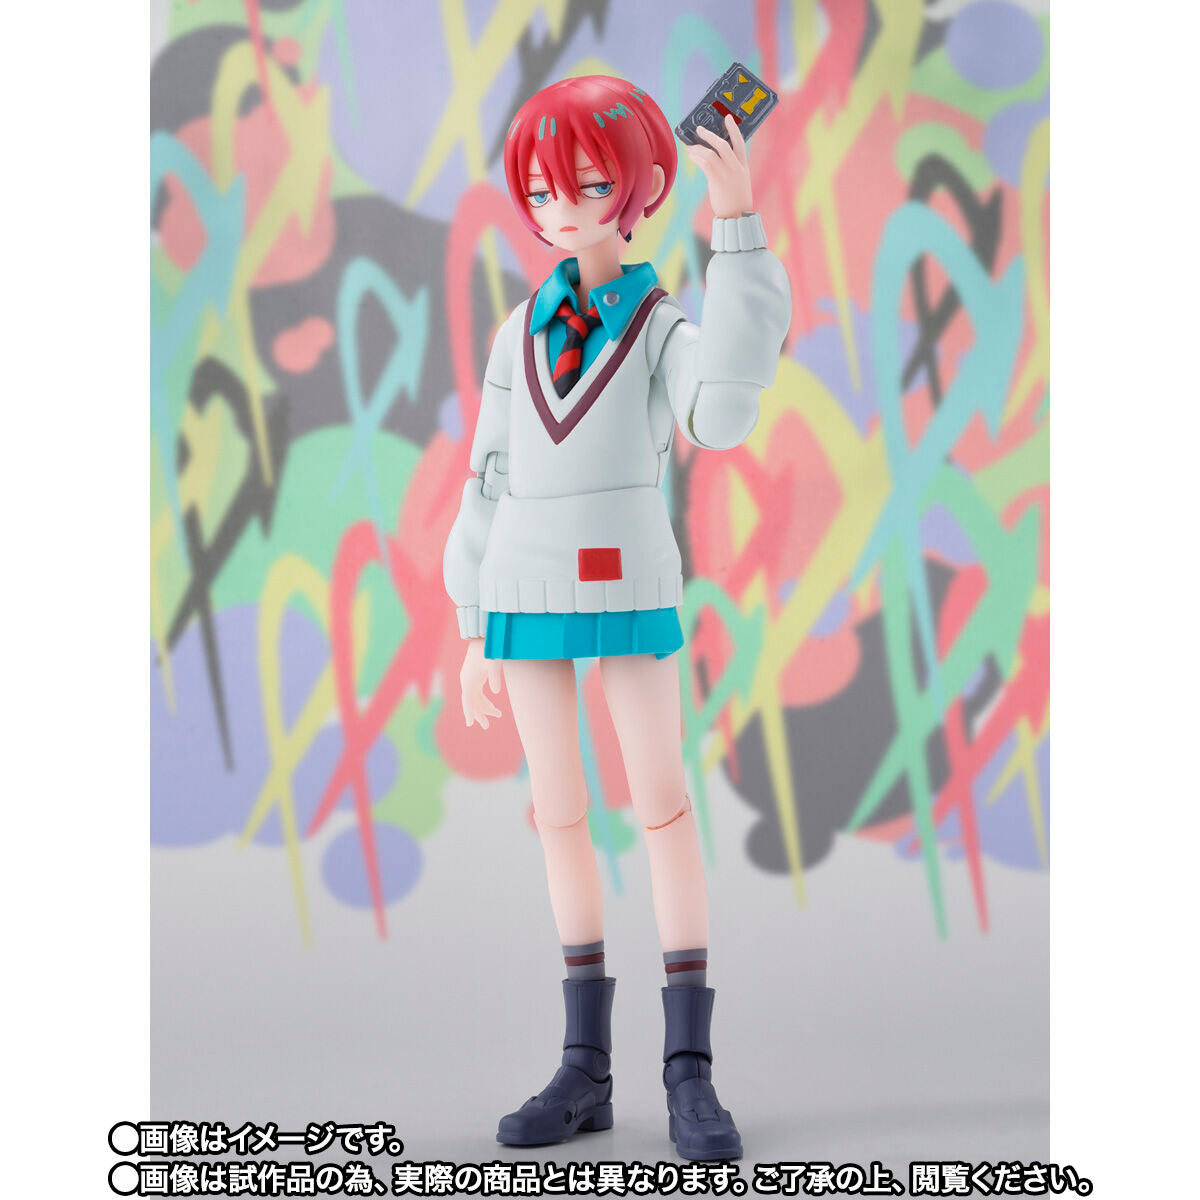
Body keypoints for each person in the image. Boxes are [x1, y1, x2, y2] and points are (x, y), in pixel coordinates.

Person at [442, 74, 790, 1160]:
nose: (561, 209)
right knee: (557, 814)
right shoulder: (518, 332)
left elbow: (719, 413)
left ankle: (689, 1068)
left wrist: (736, 227)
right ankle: (583, 1065)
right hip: (522, 589)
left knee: (663, 807)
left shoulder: (658, 322)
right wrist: (471, 620)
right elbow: (487, 474)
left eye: (588, 186)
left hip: (629, 581)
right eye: (543, 190)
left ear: (636, 191)